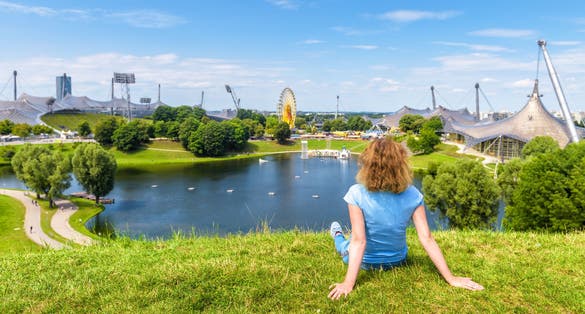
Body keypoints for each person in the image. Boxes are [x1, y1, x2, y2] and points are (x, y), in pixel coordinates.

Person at [328, 138, 484, 300]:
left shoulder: (356, 193)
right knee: (351, 241)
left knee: (345, 244)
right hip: (397, 260)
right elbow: (427, 238)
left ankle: (338, 235)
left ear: (368, 165)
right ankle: (339, 236)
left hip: (365, 263)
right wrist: (451, 278)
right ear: (401, 164)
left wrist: (348, 283)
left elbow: (359, 242)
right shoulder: (413, 194)